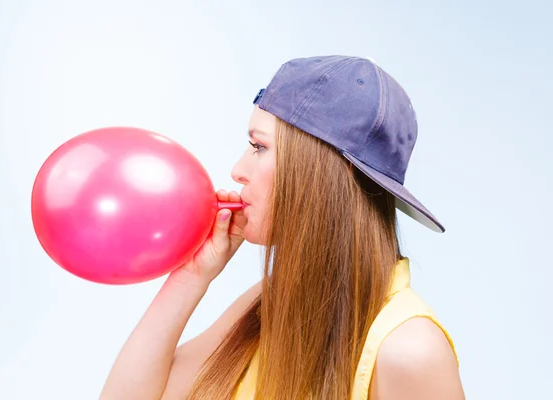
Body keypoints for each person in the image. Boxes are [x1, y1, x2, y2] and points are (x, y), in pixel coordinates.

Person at [99, 56, 465, 400]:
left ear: (326, 173)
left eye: (259, 147)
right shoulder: (270, 302)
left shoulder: (409, 349)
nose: (237, 170)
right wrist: (191, 277)